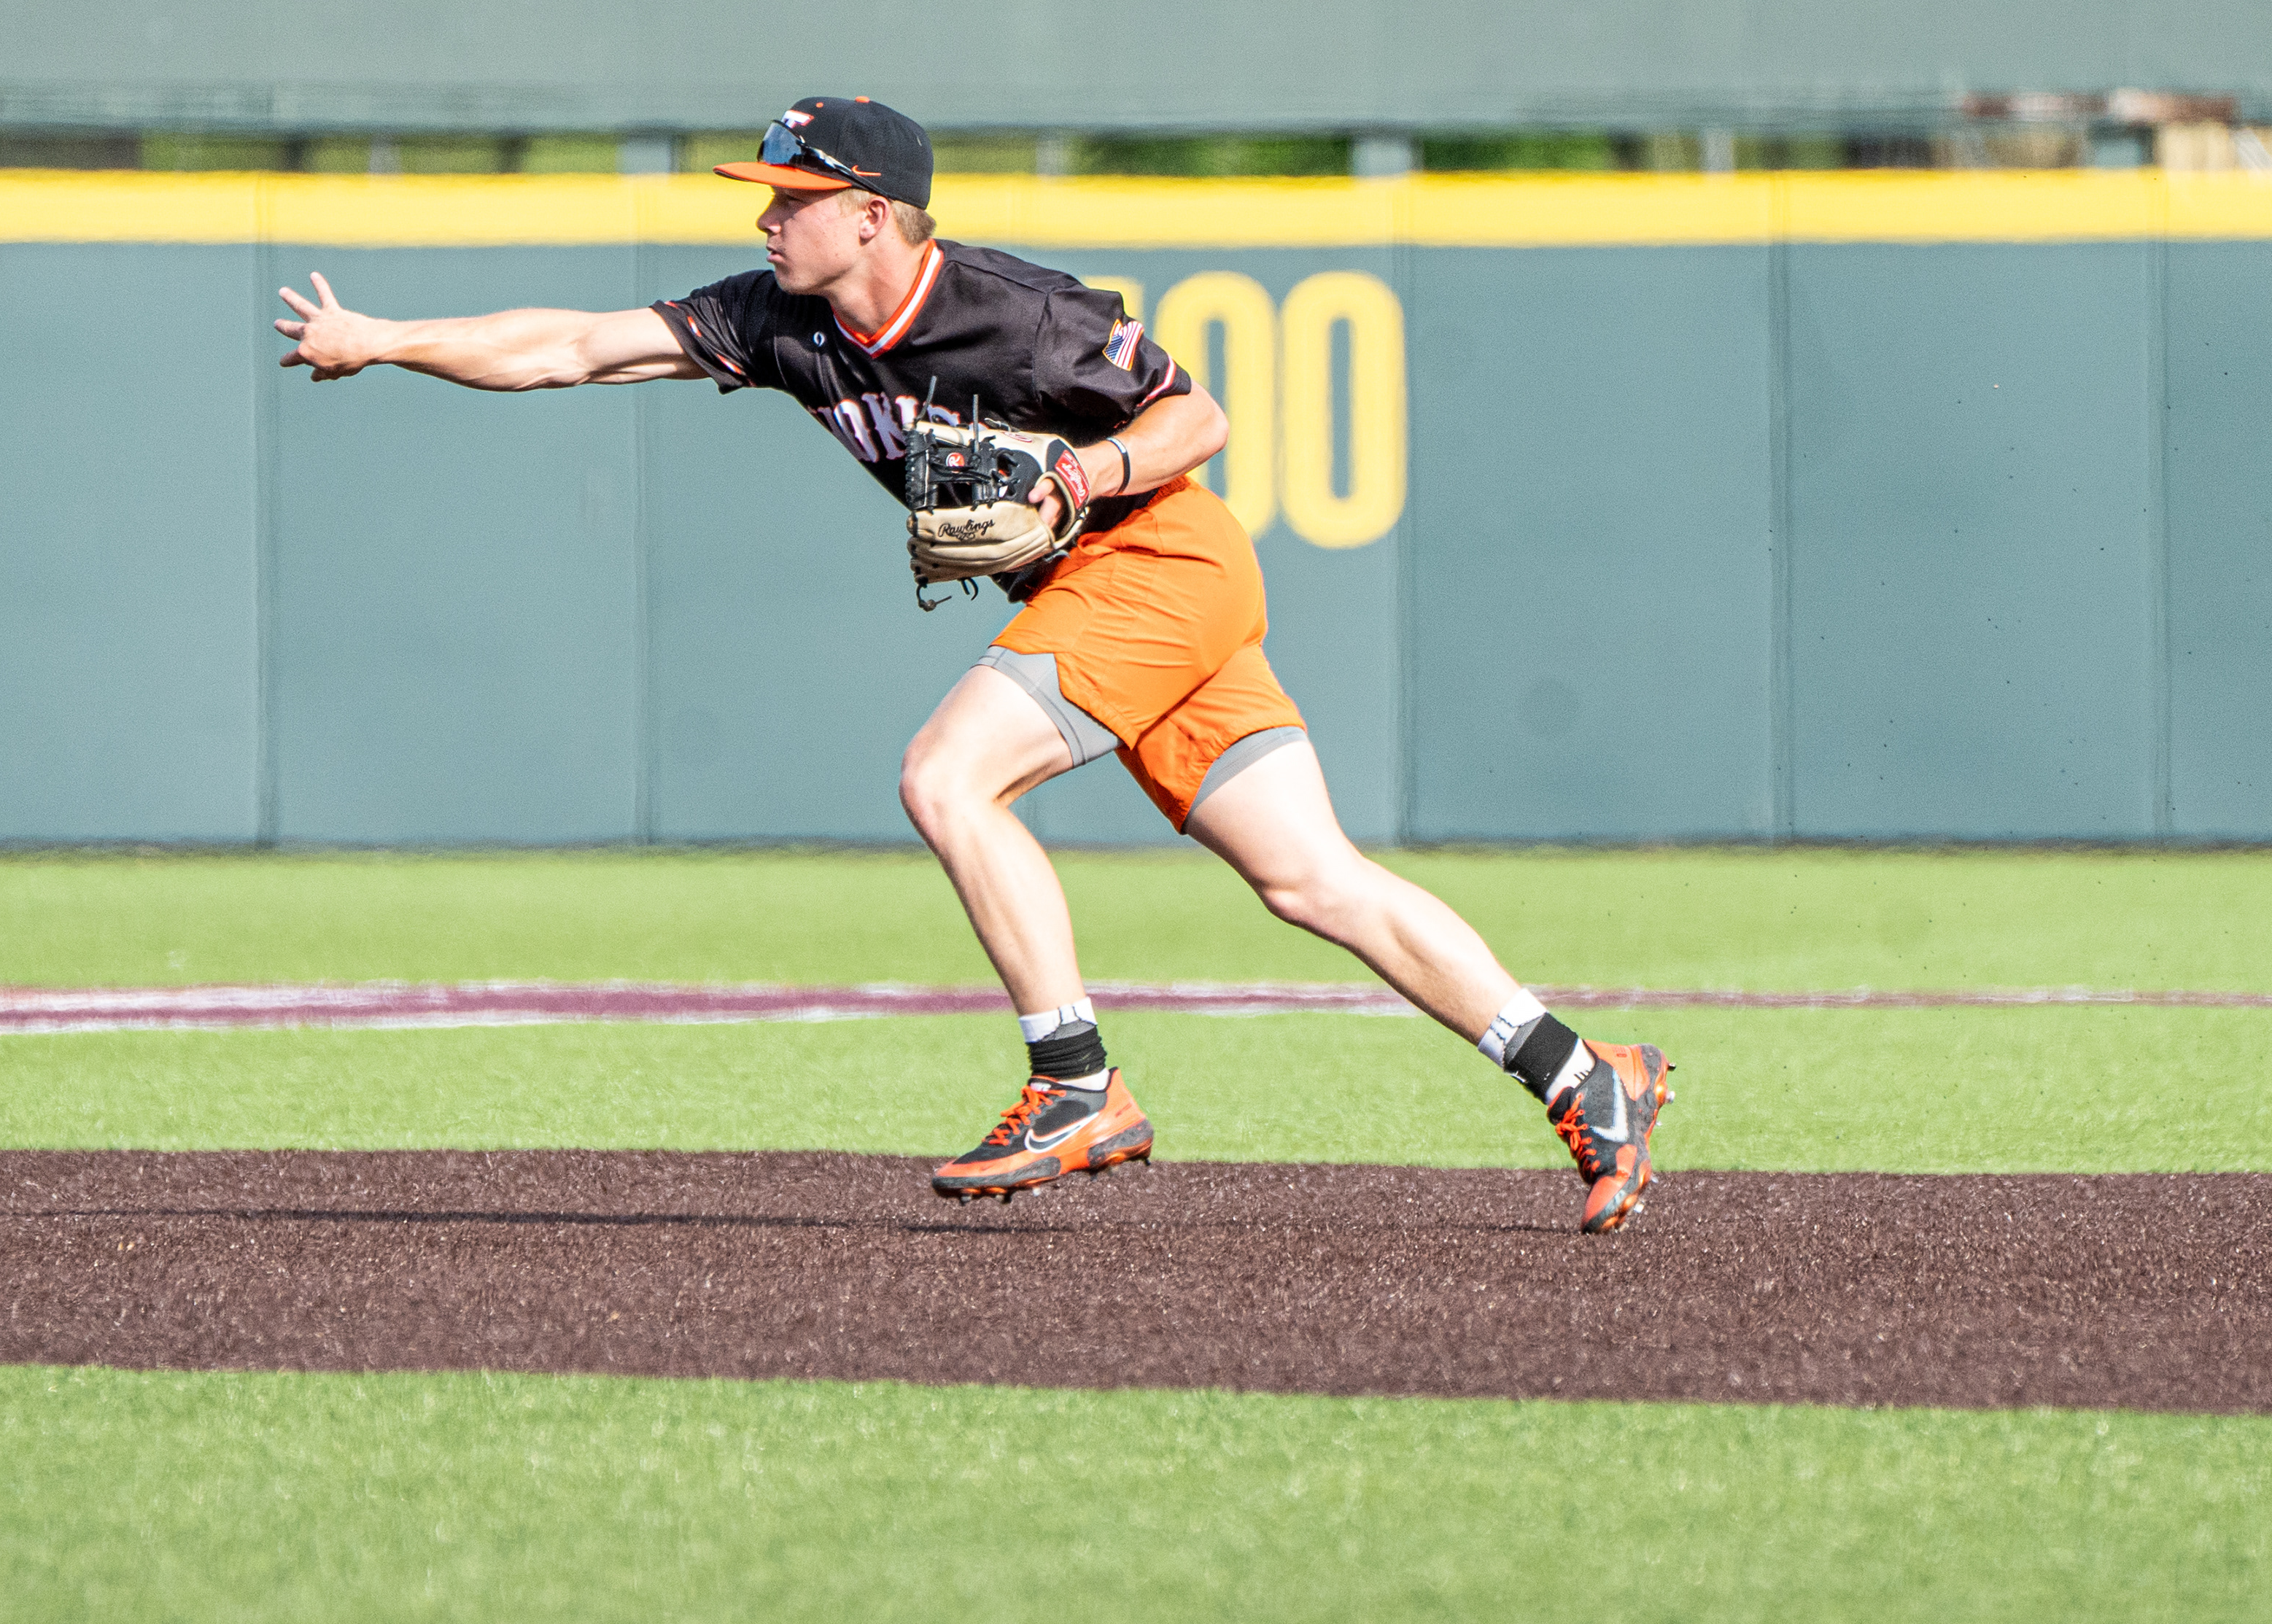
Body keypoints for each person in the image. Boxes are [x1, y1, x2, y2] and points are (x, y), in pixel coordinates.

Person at [274, 96, 1674, 1231]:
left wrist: (1080, 472)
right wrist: (384, 341)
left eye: (789, 195)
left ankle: (1077, 1084)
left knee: (947, 776)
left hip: (1155, 559)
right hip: (1109, 593)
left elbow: (1200, 419)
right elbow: (574, 348)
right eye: (762, 193)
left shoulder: (1014, 311)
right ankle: (1585, 1077)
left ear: (871, 214)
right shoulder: (780, 323)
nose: (764, 214)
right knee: (1312, 879)